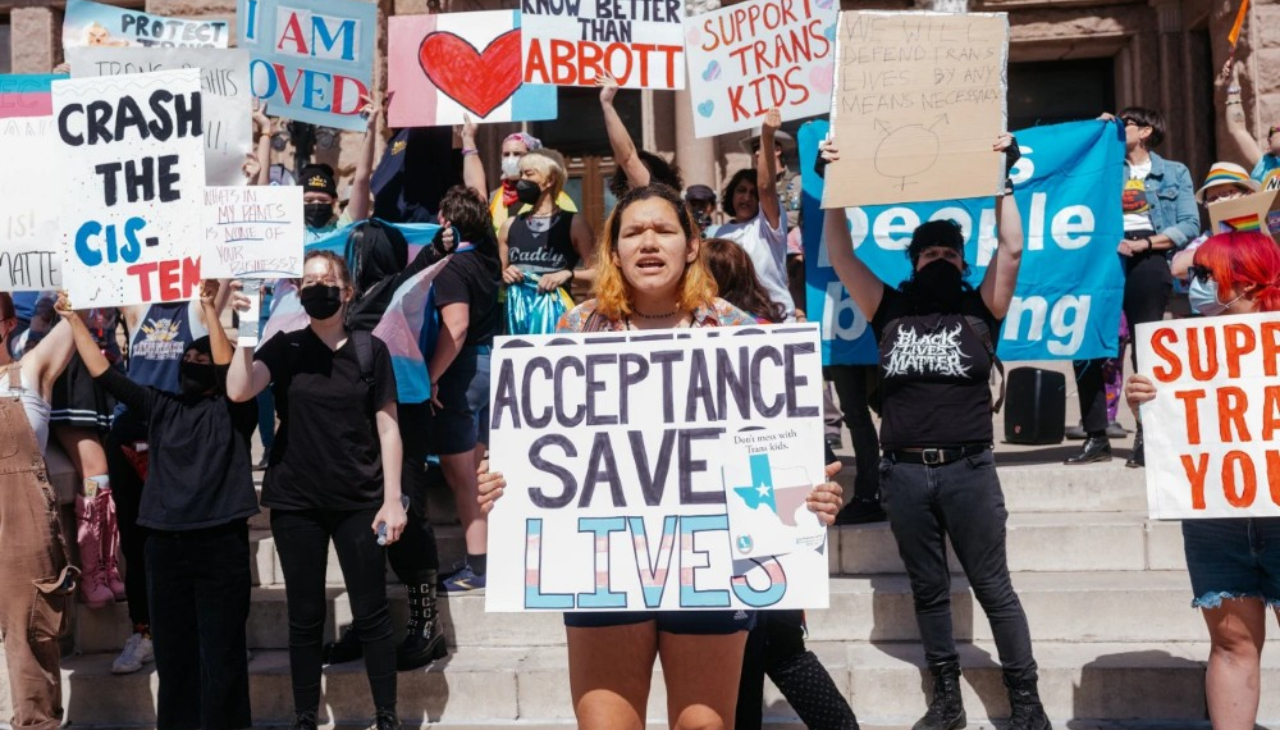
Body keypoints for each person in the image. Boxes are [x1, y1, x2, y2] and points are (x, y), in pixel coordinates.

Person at [476, 183, 844, 730]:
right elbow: (548, 448)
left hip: (711, 568)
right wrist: (504, 482)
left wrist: (814, 495)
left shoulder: (741, 333)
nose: (649, 242)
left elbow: (778, 457)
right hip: (600, 566)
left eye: (664, 230)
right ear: (615, 248)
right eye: (633, 232)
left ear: (692, 245)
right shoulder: (576, 329)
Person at [822, 134, 1051, 730]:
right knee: (928, 590)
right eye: (929, 255)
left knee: (993, 587)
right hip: (904, 474)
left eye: (950, 254)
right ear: (914, 263)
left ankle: (1025, 701)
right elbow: (842, 255)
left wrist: (1002, 176)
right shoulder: (889, 311)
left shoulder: (981, 311)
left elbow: (1014, 247)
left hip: (969, 471)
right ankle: (945, 700)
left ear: (963, 263)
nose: (940, 261)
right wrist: (834, 188)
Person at [62, 281, 257, 730]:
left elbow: (232, 367)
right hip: (164, 549)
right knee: (174, 661)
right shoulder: (161, 406)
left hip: (219, 545)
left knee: (222, 657)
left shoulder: (234, 413)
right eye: (187, 357)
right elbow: (105, 375)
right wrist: (74, 319)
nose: (191, 362)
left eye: (201, 359)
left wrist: (210, 309)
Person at [226, 251, 408, 730]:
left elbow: (389, 428)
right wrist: (246, 329)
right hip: (296, 501)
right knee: (304, 616)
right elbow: (240, 390)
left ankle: (386, 713)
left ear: (347, 291)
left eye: (327, 279)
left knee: (371, 611)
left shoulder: (372, 350)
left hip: (361, 499)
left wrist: (393, 499)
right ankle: (305, 715)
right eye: (308, 281)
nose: (317, 287)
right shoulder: (283, 346)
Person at [700, 238, 860, 730]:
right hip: (727, 527)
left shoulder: (768, 345)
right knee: (755, 661)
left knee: (775, 653)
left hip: (759, 521)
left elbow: (805, 441)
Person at [1125, 230, 1280, 730]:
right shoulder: (1183, 348)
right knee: (1232, 644)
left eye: (1209, 275)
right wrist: (1145, 399)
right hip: (1216, 518)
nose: (1196, 285)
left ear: (1251, 284)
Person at [323, 218, 460, 667]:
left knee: (406, 510)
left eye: (357, 249)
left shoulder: (398, 288)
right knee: (361, 513)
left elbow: (423, 267)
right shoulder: (352, 295)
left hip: (404, 409)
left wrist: (441, 246)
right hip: (361, 411)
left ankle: (427, 626)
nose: (351, 256)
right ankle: (369, 623)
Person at [1066, 108, 1198, 467]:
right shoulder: (1106, 168)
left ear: (1146, 132)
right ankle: (1096, 436)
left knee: (1147, 348)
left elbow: (1189, 223)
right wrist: (1097, 129)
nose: (1120, 131)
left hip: (1148, 256)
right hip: (1103, 256)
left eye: (1126, 125)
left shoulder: (1173, 172)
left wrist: (1148, 243)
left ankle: (1147, 436)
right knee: (1088, 341)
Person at [0, 294, 78, 730]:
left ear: (8, 323)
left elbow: (76, 326)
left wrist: (73, 299)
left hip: (19, 536)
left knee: (30, 646)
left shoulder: (26, 373)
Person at [426, 186, 502, 593]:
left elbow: (455, 328)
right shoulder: (487, 256)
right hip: (491, 365)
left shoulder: (455, 266)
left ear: (449, 223)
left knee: (463, 478)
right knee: (478, 471)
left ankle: (478, 568)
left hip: (465, 373)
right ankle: (483, 558)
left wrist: (431, 375)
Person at [497, 148, 595, 334]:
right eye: (521, 174)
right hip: (517, 320)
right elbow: (497, 276)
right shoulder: (509, 226)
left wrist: (567, 274)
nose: (522, 181)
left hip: (557, 320)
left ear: (549, 180)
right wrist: (505, 275)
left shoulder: (574, 223)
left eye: (529, 174)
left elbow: (600, 275)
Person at [713, 109, 795, 322]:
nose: (747, 197)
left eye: (753, 193)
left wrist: (767, 136)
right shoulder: (719, 233)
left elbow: (766, 187)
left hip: (775, 318)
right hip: (732, 322)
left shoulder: (767, 224)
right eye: (741, 190)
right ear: (731, 194)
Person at [471, 129, 579, 234]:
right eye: (506, 154)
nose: (510, 160)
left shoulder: (557, 198)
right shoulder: (494, 197)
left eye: (517, 154)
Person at [1169, 162, 1263, 282]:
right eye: (1212, 199)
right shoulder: (1208, 238)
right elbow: (1177, 269)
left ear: (1249, 194)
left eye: (1225, 194)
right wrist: (1223, 249)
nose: (1218, 201)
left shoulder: (1268, 224)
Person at [301, 96, 379, 239]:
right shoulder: (289, 233)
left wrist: (371, 128)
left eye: (323, 200)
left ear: (334, 202)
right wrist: (265, 132)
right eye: (309, 201)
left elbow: (362, 179)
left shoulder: (343, 229)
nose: (317, 204)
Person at [597, 73, 685, 199]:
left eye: (643, 172)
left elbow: (628, 158)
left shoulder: (654, 195)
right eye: (629, 174)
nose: (635, 173)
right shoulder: (625, 209)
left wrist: (607, 104)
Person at [1218, 60, 1280, 191]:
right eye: (1271, 132)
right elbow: (1237, 128)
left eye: (1277, 129)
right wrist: (1233, 85)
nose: (1274, 131)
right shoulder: (1267, 166)